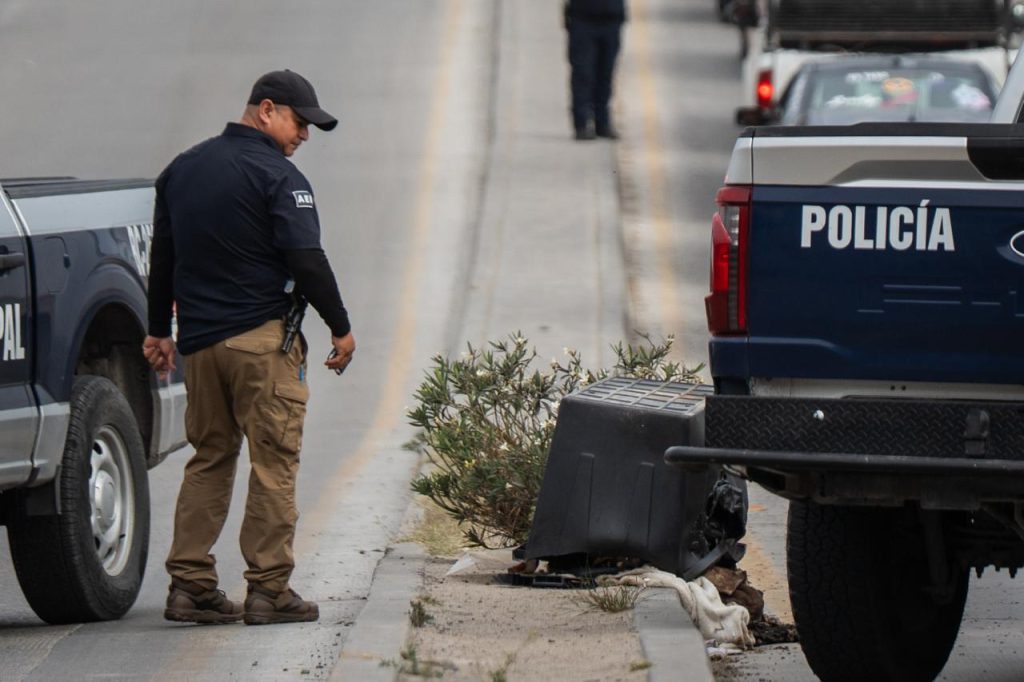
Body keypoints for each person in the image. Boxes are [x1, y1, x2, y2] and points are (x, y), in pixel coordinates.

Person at [143, 69, 356, 626]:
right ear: (266, 110)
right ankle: (269, 589)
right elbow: (307, 260)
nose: (304, 136)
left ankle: (189, 586)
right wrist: (340, 326)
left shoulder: (181, 170)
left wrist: (157, 330)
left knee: (210, 458)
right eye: (299, 122)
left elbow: (163, 257)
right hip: (262, 344)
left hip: (201, 347)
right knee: (273, 463)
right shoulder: (281, 178)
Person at [564, 0, 627, 140]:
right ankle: (581, 124)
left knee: (605, 74)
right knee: (583, 74)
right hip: (583, 19)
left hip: (611, 18)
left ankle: (602, 122)